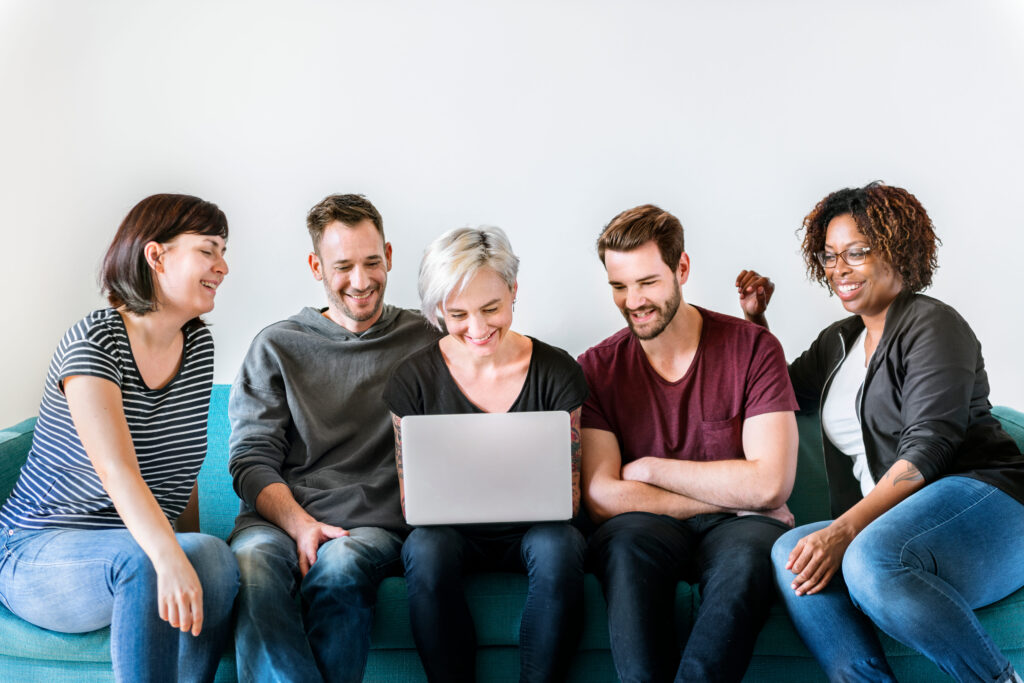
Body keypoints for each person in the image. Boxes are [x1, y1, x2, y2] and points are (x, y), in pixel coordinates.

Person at [736, 182, 1024, 683]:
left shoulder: (932, 324)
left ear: (897, 250)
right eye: (829, 256)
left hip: (981, 500)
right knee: (790, 553)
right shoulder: (838, 341)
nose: (839, 269)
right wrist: (757, 324)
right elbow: (778, 396)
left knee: (869, 554)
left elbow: (929, 448)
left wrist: (843, 530)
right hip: (895, 521)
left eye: (857, 252)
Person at [0, 194, 237, 682]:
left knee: (213, 555)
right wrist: (168, 555)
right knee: (147, 558)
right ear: (156, 255)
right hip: (38, 551)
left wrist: (187, 548)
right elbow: (116, 470)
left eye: (223, 251)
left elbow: (182, 468)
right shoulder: (96, 339)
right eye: (208, 250)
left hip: (129, 548)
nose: (223, 266)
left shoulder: (197, 346)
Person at [578, 204, 800, 683]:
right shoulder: (595, 369)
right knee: (622, 543)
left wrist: (651, 468)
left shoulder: (754, 349)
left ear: (682, 269)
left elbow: (769, 485)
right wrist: (729, 497)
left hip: (742, 533)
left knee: (750, 556)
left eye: (648, 282)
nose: (633, 300)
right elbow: (602, 498)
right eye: (619, 286)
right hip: (651, 528)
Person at [227, 194, 441, 682]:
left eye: (372, 262)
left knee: (340, 565)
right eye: (343, 266)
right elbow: (249, 462)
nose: (361, 281)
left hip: (372, 527)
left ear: (389, 255)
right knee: (253, 564)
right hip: (278, 520)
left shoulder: (428, 339)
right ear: (315, 266)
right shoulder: (277, 346)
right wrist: (302, 525)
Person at [383, 226, 588, 683]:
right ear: (438, 309)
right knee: (424, 548)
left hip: (539, 533)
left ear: (514, 292)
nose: (477, 329)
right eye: (457, 314)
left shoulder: (557, 372)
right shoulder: (411, 379)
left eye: (491, 308)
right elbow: (409, 501)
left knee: (560, 547)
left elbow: (570, 499)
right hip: (451, 536)